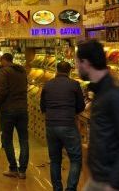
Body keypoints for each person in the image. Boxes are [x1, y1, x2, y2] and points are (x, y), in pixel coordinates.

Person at [76, 40, 119, 191]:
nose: (76, 67)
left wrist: (114, 184)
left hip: (115, 182)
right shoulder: (100, 92)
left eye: (77, 62)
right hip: (100, 178)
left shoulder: (115, 95)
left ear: (86, 63)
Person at [40, 61, 86, 191]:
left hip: (51, 125)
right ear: (69, 71)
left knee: (55, 160)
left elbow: (42, 106)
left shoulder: (47, 85)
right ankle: (70, 188)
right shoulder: (74, 84)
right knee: (75, 159)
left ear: (56, 70)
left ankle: (57, 188)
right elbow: (81, 106)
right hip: (68, 124)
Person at [0, 52, 28, 179]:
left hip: (8, 110)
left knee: (7, 139)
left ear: (4, 60)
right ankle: (23, 171)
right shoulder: (22, 71)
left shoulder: (4, 71)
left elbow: (2, 91)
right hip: (22, 109)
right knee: (23, 140)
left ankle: (13, 169)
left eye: (1, 61)